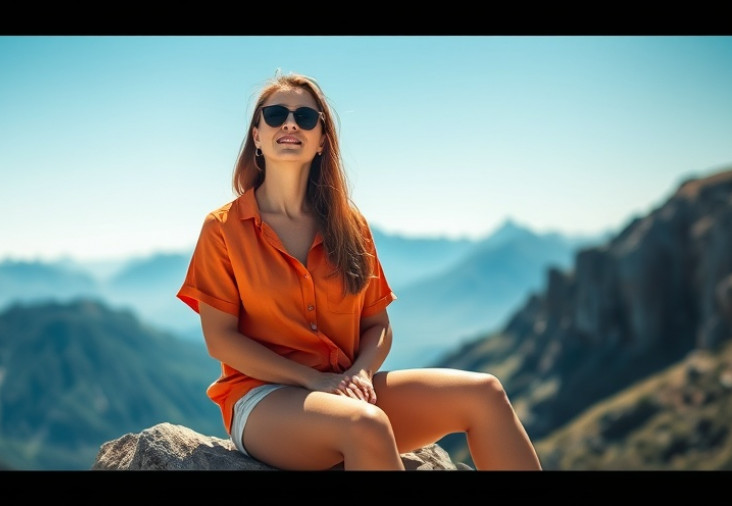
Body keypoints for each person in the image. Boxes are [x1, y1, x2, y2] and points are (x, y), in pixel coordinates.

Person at [176, 70, 542, 471]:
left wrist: (362, 374)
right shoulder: (223, 228)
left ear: (321, 142)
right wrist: (314, 381)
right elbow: (221, 341)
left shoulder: (350, 225)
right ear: (257, 136)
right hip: (264, 400)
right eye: (276, 113)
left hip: (346, 389)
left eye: (306, 117)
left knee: (485, 393)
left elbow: (378, 325)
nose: (291, 123)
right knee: (366, 425)